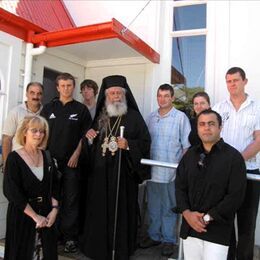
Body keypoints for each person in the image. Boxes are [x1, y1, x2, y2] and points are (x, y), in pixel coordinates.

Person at [80, 75, 151, 260]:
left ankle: (121, 250)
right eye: (112, 93)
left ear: (124, 95)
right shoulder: (100, 117)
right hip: (100, 176)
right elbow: (91, 144)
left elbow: (145, 143)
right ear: (106, 96)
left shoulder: (135, 117)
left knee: (122, 212)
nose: (116, 96)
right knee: (99, 211)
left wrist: (128, 145)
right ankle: (97, 248)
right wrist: (88, 139)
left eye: (119, 92)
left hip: (123, 176)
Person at [176, 109, 247, 260]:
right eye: (202, 124)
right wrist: (187, 214)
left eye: (211, 124)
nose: (206, 127)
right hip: (191, 227)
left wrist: (207, 218)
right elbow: (180, 187)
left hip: (218, 231)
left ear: (220, 127)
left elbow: (235, 196)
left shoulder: (234, 158)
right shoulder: (189, 156)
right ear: (197, 128)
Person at [41, 72, 91, 253]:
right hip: (50, 162)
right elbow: (42, 134)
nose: (66, 89)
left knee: (71, 200)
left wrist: (76, 154)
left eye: (69, 85)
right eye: (62, 85)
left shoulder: (81, 109)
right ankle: (51, 234)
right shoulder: (48, 108)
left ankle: (70, 237)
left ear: (73, 87)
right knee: (52, 198)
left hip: (72, 163)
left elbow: (85, 135)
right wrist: (44, 158)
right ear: (57, 87)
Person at [213, 67, 260, 260]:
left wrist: (236, 161)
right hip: (223, 174)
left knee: (247, 224)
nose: (232, 84)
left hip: (249, 172)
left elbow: (258, 141)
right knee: (224, 221)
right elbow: (211, 137)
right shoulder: (218, 108)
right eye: (228, 81)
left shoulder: (257, 107)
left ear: (245, 81)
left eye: (235, 80)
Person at [140, 84, 191, 257]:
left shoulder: (180, 117)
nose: (162, 99)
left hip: (171, 173)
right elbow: (145, 142)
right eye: (160, 96)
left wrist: (181, 170)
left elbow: (186, 146)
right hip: (153, 171)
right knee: (153, 206)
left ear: (172, 98)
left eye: (166, 96)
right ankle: (154, 236)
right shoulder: (151, 117)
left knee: (169, 207)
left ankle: (169, 240)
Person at [3, 115, 60, 260]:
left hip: (47, 216)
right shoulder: (14, 158)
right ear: (24, 132)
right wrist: (35, 217)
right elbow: (11, 191)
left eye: (42, 131)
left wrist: (54, 210)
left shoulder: (47, 156)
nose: (38, 135)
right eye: (34, 130)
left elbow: (55, 186)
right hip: (22, 216)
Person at [2, 82, 43, 167]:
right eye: (32, 93)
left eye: (39, 94)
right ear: (26, 94)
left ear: (42, 96)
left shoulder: (46, 112)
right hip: (18, 161)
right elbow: (7, 139)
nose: (35, 96)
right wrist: (6, 163)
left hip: (38, 162)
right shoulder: (15, 112)